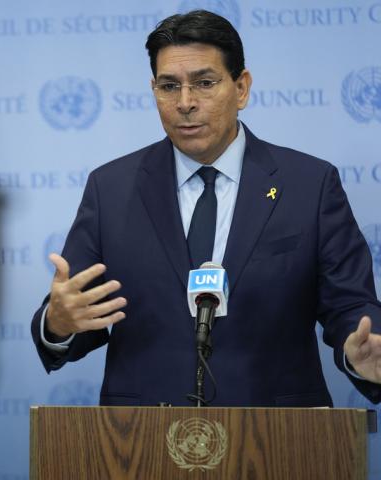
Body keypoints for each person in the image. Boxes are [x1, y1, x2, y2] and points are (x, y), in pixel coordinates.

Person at [30, 9, 381, 407]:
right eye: (168, 86)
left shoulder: (309, 184)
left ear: (242, 87)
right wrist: (57, 324)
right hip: (140, 439)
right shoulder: (111, 188)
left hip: (277, 432)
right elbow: (78, 308)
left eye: (204, 83)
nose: (185, 103)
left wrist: (362, 352)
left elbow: (351, 305)